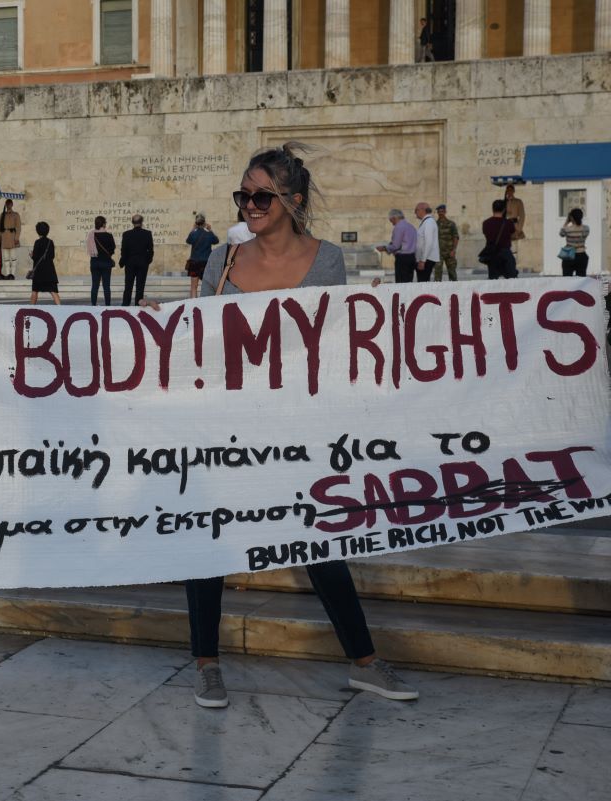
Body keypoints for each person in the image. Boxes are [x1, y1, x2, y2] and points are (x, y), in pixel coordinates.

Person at [181, 142, 418, 709]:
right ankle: (207, 665)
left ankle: (365, 661)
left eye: (262, 196)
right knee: (208, 538)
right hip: (227, 422)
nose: (249, 205)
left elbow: (332, 345)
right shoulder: (223, 261)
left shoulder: (327, 260)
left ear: (293, 200)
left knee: (319, 538)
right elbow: (198, 339)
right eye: (243, 195)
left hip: (295, 426)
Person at [119, 214, 154, 307]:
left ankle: (125, 305)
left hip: (130, 263)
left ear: (132, 222)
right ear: (141, 222)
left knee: (128, 286)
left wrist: (123, 261)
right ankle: (138, 306)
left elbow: (124, 250)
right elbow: (150, 250)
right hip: (142, 263)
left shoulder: (126, 234)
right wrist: (147, 261)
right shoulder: (147, 233)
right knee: (140, 287)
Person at [376, 209, 417, 283]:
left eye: (391, 221)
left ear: (394, 218)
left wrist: (384, 248)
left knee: (401, 283)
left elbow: (396, 246)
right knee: (408, 282)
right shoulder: (411, 226)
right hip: (412, 257)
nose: (392, 223)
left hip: (402, 259)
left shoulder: (399, 227)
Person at [185, 213, 219, 298]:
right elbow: (216, 241)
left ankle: (194, 303)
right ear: (204, 223)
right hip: (206, 263)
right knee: (208, 286)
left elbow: (188, 241)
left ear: (196, 223)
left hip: (194, 263)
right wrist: (210, 230)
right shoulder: (209, 234)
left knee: (194, 287)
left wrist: (193, 229)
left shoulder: (193, 234)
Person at [482, 199, 518, 279]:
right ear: (504, 210)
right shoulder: (508, 223)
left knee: (493, 279)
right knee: (512, 278)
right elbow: (514, 235)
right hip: (505, 253)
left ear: (492, 209)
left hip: (492, 254)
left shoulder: (486, 223)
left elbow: (486, 234)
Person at [29, 221, 60, 305]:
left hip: (39, 271)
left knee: (35, 291)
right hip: (49, 270)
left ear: (37, 231)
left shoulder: (37, 242)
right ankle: (60, 308)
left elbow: (35, 257)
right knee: (53, 291)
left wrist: (32, 255)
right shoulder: (50, 242)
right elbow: (52, 256)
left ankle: (31, 308)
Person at [86, 215, 115, 305]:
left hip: (95, 262)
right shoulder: (109, 236)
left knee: (95, 285)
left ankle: (93, 305)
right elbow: (112, 249)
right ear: (103, 224)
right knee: (106, 286)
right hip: (106, 263)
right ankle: (108, 305)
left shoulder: (91, 235)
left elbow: (90, 249)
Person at [559, 208, 590, 277]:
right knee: (581, 279)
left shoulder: (567, 229)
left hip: (569, 255)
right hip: (582, 255)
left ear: (571, 218)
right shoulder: (586, 228)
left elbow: (561, 234)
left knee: (567, 278)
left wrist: (566, 222)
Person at [413, 202, 439, 282]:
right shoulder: (426, 222)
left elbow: (429, 242)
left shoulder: (429, 222)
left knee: (423, 282)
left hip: (427, 259)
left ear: (422, 210)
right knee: (422, 282)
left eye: (416, 210)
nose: (415, 212)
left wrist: (423, 260)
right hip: (424, 259)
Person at [434, 204, 459, 281]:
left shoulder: (451, 224)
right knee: (437, 274)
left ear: (445, 212)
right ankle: (437, 288)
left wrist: (454, 250)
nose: (440, 213)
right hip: (438, 253)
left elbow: (456, 237)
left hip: (449, 252)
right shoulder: (435, 224)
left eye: (442, 211)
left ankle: (454, 288)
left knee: (452, 273)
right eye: (439, 212)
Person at [0, 199, 22, 279]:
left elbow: (18, 227)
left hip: (12, 237)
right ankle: (8, 274)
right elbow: (0, 228)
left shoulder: (16, 215)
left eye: (10, 204)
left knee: (13, 257)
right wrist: (0, 239)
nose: (8, 205)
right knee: (6, 258)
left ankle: (12, 274)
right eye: (7, 204)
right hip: (4, 237)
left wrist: (17, 238)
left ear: (12, 204)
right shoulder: (2, 215)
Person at [503, 184, 526, 255]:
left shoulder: (518, 201)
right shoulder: (503, 202)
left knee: (514, 248)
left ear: (514, 191)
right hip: (505, 226)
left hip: (514, 226)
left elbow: (522, 216)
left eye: (511, 190)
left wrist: (519, 228)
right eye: (508, 190)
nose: (509, 192)